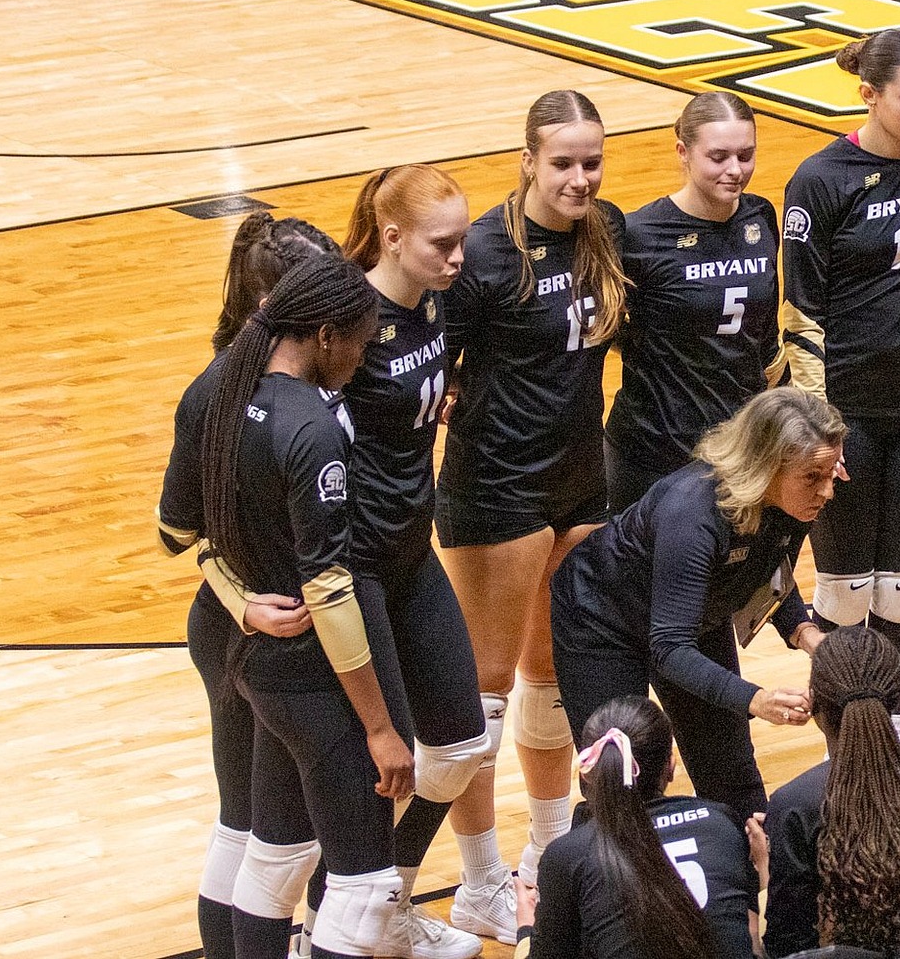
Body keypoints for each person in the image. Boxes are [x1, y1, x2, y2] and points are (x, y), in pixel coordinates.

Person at [436, 89, 630, 940]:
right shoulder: (482, 253)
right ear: (527, 161)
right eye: (563, 164)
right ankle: (478, 880)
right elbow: (430, 372)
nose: (580, 179)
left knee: (551, 681)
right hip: (496, 490)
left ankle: (548, 856)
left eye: (592, 162)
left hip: (578, 482)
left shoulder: (606, 230)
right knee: (480, 694)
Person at [196, 253, 414, 959]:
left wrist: (236, 600)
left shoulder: (218, 394)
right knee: (364, 885)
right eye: (360, 340)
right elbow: (327, 588)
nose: (362, 357)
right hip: (311, 666)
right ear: (325, 334)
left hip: (255, 654)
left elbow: (182, 530)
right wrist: (380, 728)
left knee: (275, 849)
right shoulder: (308, 425)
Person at [780, 28, 900, 740]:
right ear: (869, 95)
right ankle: (844, 744)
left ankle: (890, 736)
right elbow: (800, 313)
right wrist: (822, 431)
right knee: (843, 588)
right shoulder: (821, 179)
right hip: (850, 414)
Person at [157, 212, 338, 959]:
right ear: (272, 305)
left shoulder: (312, 369)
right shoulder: (213, 393)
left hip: (296, 623)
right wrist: (239, 599)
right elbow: (175, 532)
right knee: (250, 824)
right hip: (241, 628)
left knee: (293, 826)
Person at [552, 387, 838, 822]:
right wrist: (756, 699)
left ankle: (745, 880)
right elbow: (669, 648)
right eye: (813, 477)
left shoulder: (789, 502)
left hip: (688, 619)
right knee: (622, 780)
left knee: (732, 774)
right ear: (766, 467)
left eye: (831, 472)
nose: (828, 491)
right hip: (601, 620)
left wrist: (807, 634)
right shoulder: (693, 514)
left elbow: (767, 568)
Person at [339, 164, 493, 958]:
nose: (457, 256)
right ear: (392, 237)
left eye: (463, 240)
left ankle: (387, 904)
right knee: (384, 764)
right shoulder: (350, 322)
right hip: (357, 565)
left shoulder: (437, 301)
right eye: (442, 243)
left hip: (412, 550)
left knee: (463, 744)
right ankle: (342, 922)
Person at [607, 92, 779, 513]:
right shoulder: (640, 235)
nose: (735, 170)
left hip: (741, 448)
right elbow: (602, 324)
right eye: (718, 156)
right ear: (683, 151)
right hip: (654, 451)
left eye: (746, 155)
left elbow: (766, 334)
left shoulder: (760, 217)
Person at [761, 626, 900, 956]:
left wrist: (769, 864)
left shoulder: (795, 804)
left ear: (815, 702)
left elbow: (789, 946)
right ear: (895, 695)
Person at [517, 696, 758, 959]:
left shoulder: (568, 854)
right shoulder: (719, 821)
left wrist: (526, 933)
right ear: (671, 765)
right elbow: (750, 936)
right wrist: (767, 874)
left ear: (586, 773)